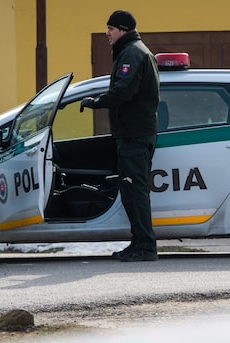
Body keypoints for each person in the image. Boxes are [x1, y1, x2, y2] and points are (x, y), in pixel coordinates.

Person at [80, 10, 160, 262]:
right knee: (132, 191)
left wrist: (95, 102)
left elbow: (122, 92)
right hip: (133, 133)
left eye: (111, 29)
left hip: (135, 135)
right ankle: (138, 242)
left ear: (123, 30)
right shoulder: (132, 50)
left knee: (134, 192)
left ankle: (145, 246)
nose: (107, 34)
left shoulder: (132, 53)